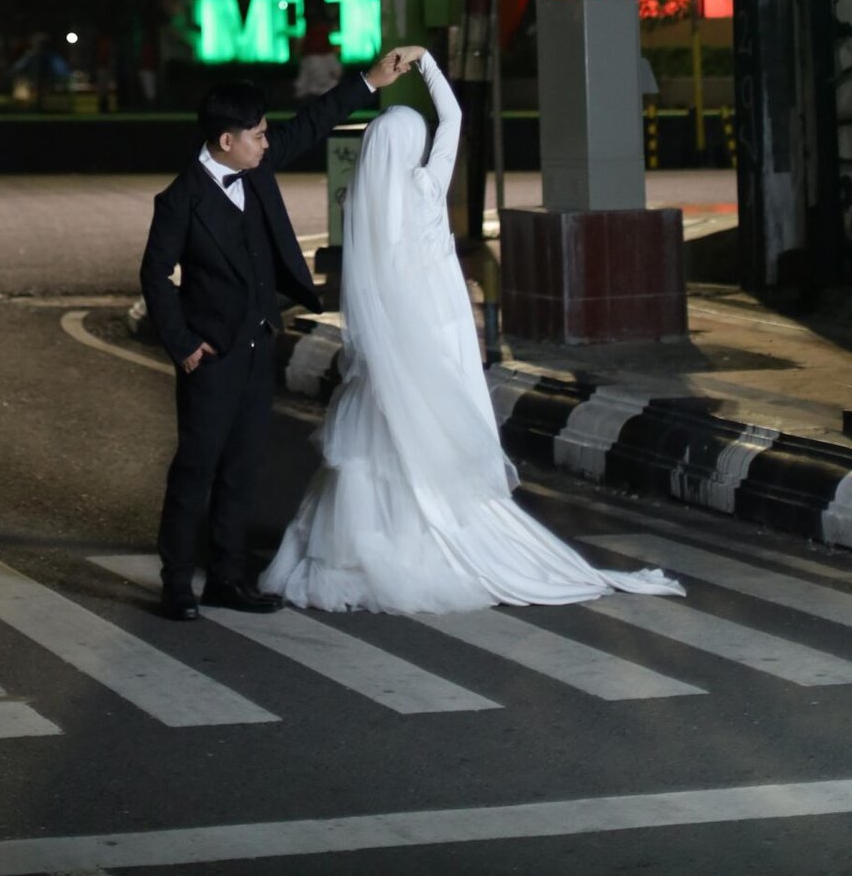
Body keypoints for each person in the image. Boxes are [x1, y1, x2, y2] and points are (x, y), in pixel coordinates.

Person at [262, 47, 683, 614]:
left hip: (390, 347)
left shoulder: (365, 208)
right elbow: (454, 117)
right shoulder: (426, 189)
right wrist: (427, 64)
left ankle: (371, 550)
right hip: (438, 334)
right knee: (435, 441)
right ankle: (437, 540)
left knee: (377, 449)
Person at [140, 48, 408, 621]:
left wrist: (369, 80)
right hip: (211, 357)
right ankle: (176, 583)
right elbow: (155, 275)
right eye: (258, 135)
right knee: (196, 469)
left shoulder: (256, 168)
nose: (267, 142)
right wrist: (183, 344)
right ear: (226, 140)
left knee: (243, 469)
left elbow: (311, 124)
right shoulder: (181, 200)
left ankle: (227, 577)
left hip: (258, 343)